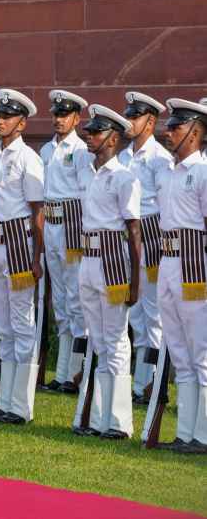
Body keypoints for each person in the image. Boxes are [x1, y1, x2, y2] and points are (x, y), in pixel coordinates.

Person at [72, 104, 142, 439]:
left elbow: (134, 232)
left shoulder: (125, 177)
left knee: (116, 342)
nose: (89, 136)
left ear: (113, 139)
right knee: (98, 340)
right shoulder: (87, 172)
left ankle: (119, 421)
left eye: (96, 132)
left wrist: (135, 282)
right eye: (89, 131)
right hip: (88, 257)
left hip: (113, 259)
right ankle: (97, 417)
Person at [0, 88, 45, 425]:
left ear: (21, 123)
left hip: (20, 243)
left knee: (22, 325)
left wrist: (37, 257)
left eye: (5, 117)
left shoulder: (28, 158)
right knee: (2, 326)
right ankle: (4, 401)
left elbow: (38, 213)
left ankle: (21, 405)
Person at [153, 98, 207, 454]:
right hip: (168, 259)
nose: (169, 132)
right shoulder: (167, 171)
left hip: (193, 263)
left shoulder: (202, 172)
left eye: (177, 126)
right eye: (170, 126)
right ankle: (185, 432)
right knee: (180, 351)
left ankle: (202, 434)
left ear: (195, 132)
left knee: (201, 351)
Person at [118, 92, 172, 405]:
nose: (130, 122)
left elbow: (166, 205)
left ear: (150, 122)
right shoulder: (124, 156)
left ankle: (152, 381)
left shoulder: (159, 159)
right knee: (134, 309)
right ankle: (140, 379)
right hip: (128, 237)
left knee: (153, 312)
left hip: (151, 234)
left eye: (135, 117)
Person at [39, 90, 92, 394]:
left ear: (76, 118)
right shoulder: (47, 150)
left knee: (75, 299)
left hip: (72, 224)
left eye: (65, 115)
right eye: (56, 114)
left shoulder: (81, 150)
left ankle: (76, 371)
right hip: (52, 223)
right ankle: (61, 372)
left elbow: (85, 193)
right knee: (59, 300)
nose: (59, 119)